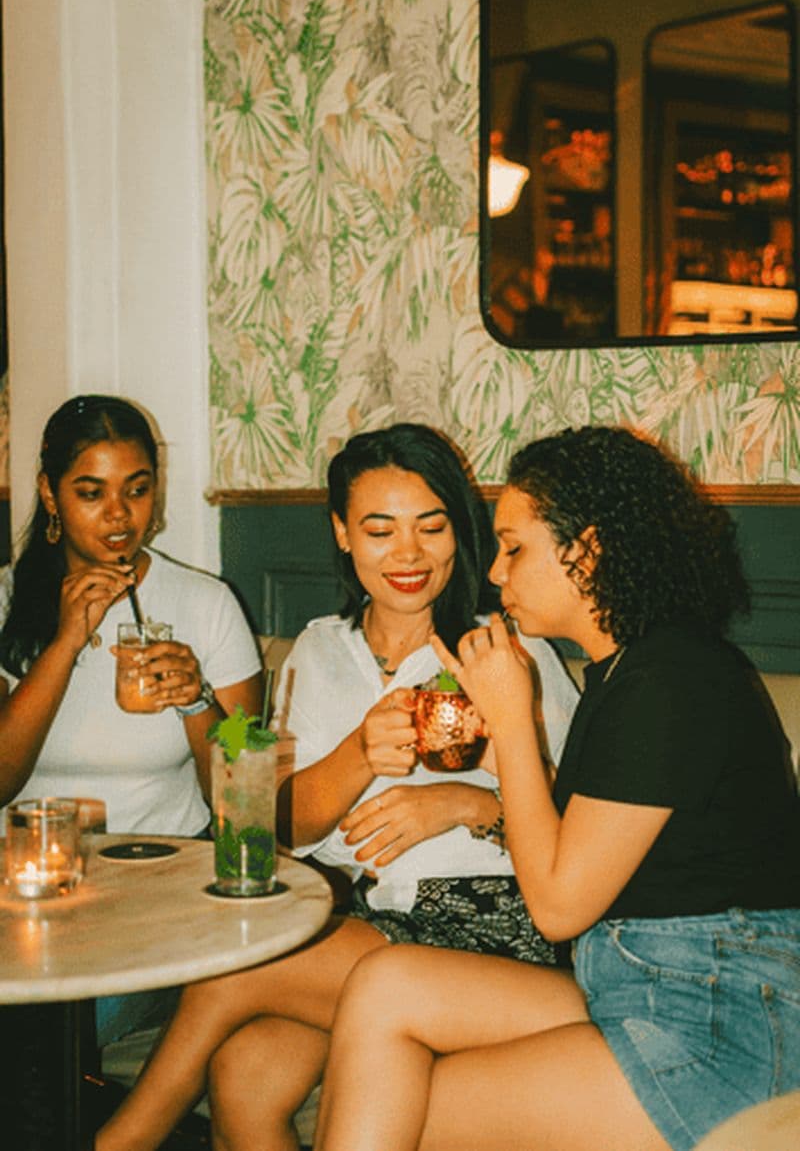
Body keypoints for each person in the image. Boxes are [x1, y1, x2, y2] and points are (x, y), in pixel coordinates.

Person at [313, 425, 800, 1151]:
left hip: (721, 1016)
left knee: (414, 1112)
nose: (497, 574)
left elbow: (558, 908)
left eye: (515, 549)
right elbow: (571, 839)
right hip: (634, 982)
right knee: (387, 981)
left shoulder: (671, 679)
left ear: (588, 550)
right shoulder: (629, 666)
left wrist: (513, 719)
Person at [96, 422, 579, 1151]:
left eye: (432, 526)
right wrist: (358, 752)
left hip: (490, 927)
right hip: (366, 920)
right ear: (343, 535)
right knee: (243, 1076)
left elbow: (583, 832)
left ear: (461, 531)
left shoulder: (509, 646)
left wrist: (465, 802)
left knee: (237, 965)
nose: (409, 554)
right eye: (380, 530)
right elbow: (286, 826)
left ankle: (115, 1143)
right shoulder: (321, 648)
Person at [0, 394, 264, 1043]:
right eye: (91, 492)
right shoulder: (8, 598)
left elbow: (245, 789)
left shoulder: (206, 604)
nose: (119, 515)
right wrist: (64, 643)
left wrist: (199, 699)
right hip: (28, 891)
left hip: (160, 885)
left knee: (71, 1029)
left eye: (137, 489)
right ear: (50, 494)